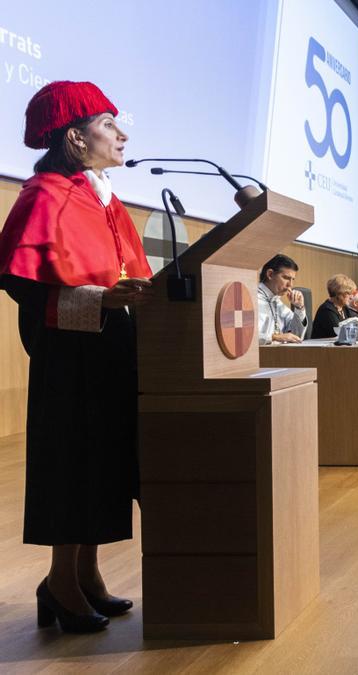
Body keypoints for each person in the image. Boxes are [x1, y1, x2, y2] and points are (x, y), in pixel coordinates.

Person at [0, 81, 153, 632]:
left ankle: (85, 573)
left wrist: (128, 297)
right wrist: (103, 298)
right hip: (67, 352)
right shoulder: (45, 194)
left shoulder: (102, 197)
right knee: (71, 461)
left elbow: (130, 272)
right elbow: (24, 286)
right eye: (109, 125)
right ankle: (59, 580)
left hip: (111, 346)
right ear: (74, 137)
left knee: (104, 461)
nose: (122, 133)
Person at [256, 254, 307, 344]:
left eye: (292, 279)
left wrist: (299, 308)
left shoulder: (277, 302)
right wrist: (275, 337)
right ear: (270, 274)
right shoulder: (251, 298)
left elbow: (297, 336)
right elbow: (244, 335)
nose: (290, 285)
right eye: (286, 278)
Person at [312, 274, 357, 339]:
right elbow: (339, 333)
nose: (351, 297)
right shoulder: (326, 310)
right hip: (322, 348)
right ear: (339, 293)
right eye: (348, 293)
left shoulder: (344, 308)